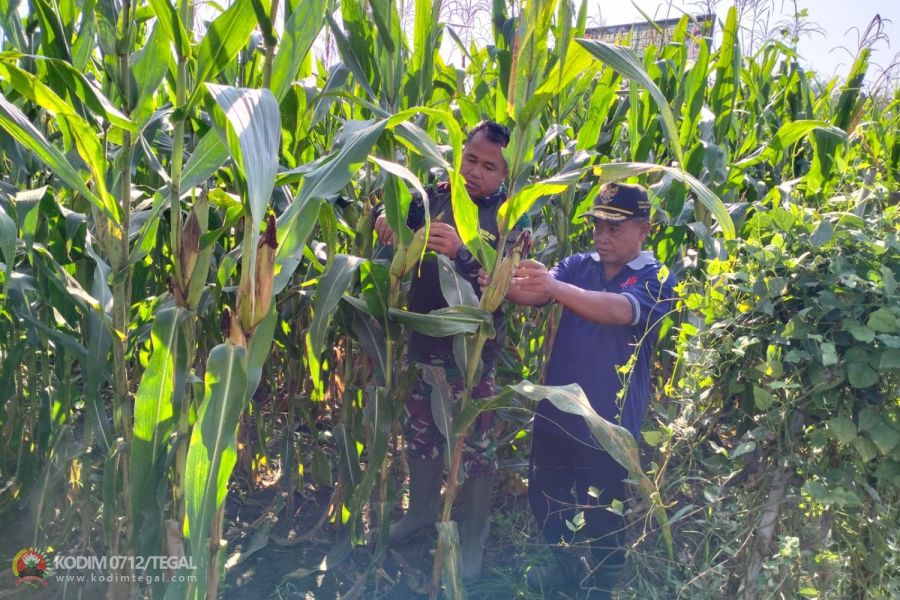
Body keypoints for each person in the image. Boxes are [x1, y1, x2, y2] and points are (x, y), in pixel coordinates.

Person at [371, 120, 530, 581]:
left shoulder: (510, 218)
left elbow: (502, 285)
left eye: (488, 167)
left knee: (475, 446)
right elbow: (401, 222)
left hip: (472, 352)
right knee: (420, 433)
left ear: (506, 174)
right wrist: (388, 218)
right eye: (469, 159)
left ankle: (474, 536)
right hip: (424, 341)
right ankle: (421, 511)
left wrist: (462, 252)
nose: (474, 172)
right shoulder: (436, 195)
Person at [503, 182, 676, 598]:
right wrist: (490, 272)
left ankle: (602, 586)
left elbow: (620, 311)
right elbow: (532, 292)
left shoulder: (655, 276)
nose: (602, 234)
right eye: (598, 224)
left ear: (644, 230)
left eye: (614, 227)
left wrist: (555, 288)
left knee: (602, 511)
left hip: (608, 422)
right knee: (547, 498)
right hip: (558, 410)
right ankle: (563, 573)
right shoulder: (579, 264)